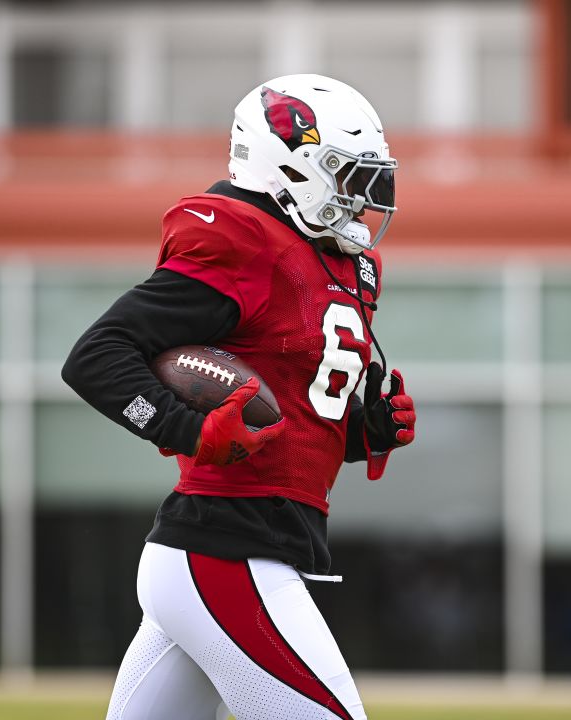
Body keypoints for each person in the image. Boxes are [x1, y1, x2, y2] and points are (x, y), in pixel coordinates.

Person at [62, 74, 417, 720]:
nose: (360, 197)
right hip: (224, 549)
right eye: (344, 175)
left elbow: (289, 423)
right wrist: (184, 429)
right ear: (288, 164)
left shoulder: (339, 261)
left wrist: (365, 433)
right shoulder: (242, 240)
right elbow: (97, 356)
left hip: (236, 550)